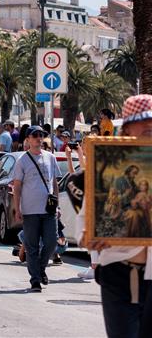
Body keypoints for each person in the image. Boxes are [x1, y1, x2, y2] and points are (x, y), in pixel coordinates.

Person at [79, 94, 152, 338]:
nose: (151, 128)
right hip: (120, 272)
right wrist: (89, 236)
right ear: (128, 128)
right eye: (146, 123)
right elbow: (87, 221)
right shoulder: (110, 167)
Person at [12, 125, 60, 292]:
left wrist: (57, 205)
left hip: (49, 210)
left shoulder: (50, 157)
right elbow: (16, 186)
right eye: (35, 135)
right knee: (31, 246)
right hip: (30, 210)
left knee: (52, 242)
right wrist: (17, 208)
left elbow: (54, 183)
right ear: (28, 139)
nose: (39, 138)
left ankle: (40, 268)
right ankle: (35, 280)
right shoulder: (22, 160)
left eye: (41, 135)